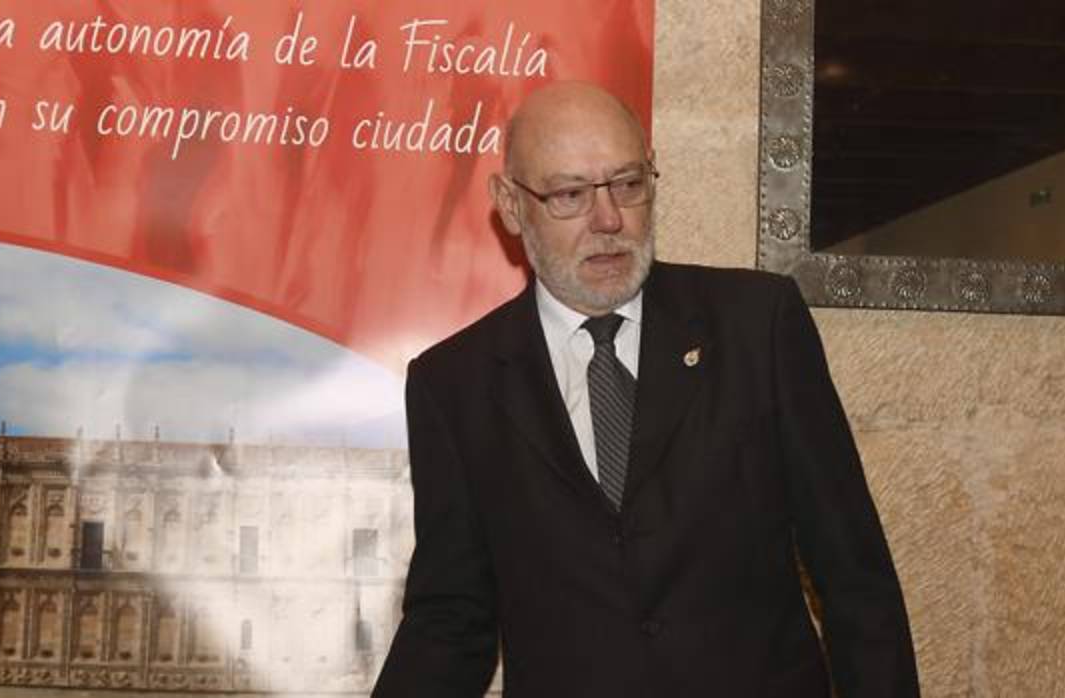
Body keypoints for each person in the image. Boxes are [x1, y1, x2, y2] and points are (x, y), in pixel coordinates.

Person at [372, 82, 919, 698]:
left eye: (628, 184)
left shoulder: (756, 327)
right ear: (511, 203)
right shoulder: (455, 385)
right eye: (570, 194)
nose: (609, 221)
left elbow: (854, 577)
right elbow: (451, 619)